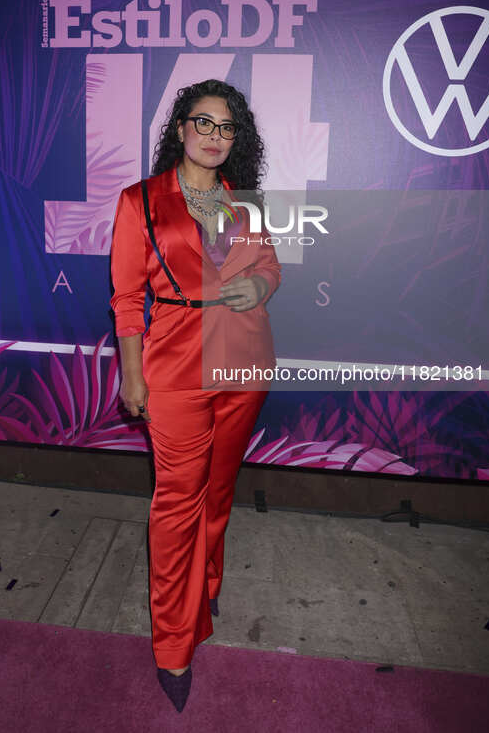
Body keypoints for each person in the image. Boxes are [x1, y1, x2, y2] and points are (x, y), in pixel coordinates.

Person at [109, 78, 281, 712]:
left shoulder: (243, 204)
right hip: (176, 365)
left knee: (218, 492)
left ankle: (208, 581)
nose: (214, 136)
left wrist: (260, 288)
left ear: (237, 140)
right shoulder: (140, 202)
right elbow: (128, 300)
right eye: (202, 123)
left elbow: (269, 264)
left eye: (225, 127)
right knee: (177, 503)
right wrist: (132, 375)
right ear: (179, 129)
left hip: (244, 362)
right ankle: (173, 645)